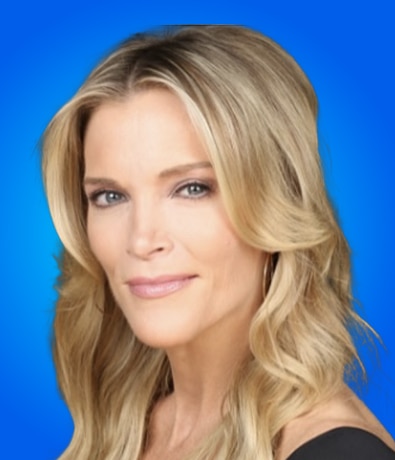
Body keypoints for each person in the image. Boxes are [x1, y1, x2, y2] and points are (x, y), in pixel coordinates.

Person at [42, 25, 395, 460]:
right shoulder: (125, 425)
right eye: (110, 196)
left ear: (276, 203)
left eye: (192, 189)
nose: (141, 240)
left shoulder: (338, 452)